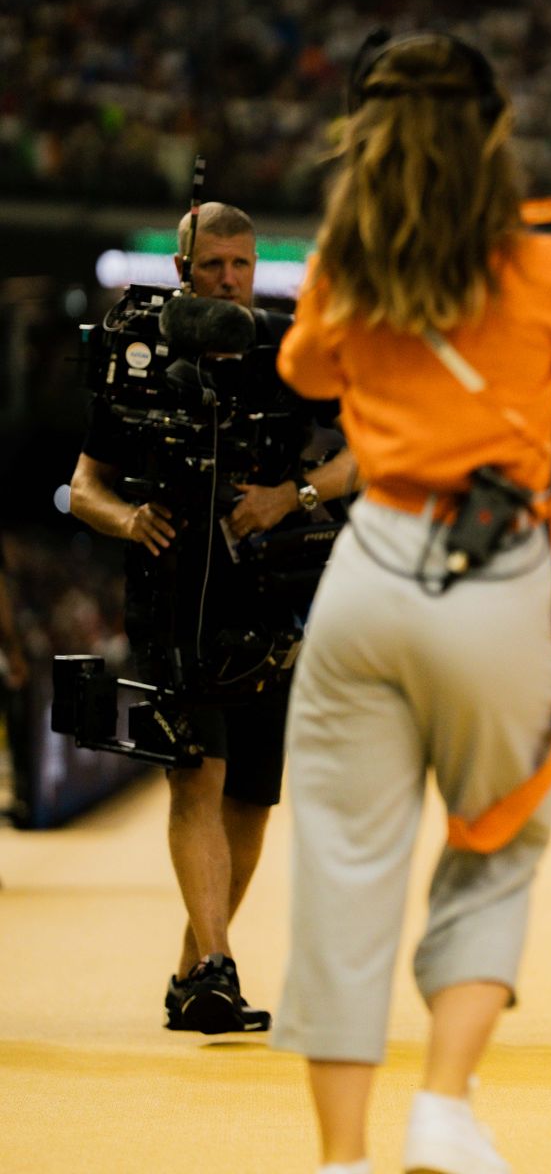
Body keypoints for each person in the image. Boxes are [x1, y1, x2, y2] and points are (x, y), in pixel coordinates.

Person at [272, 33, 551, 1174]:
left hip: (370, 568)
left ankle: (343, 1157)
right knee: (496, 840)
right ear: (495, 131)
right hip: (497, 578)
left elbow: (305, 370)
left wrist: (355, 251)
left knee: (345, 864)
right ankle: (444, 1108)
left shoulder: (349, 262)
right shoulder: (544, 270)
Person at [66, 200, 358, 1034]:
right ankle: (220, 970)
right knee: (199, 774)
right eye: (212, 265)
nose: (228, 279)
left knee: (253, 797)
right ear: (183, 268)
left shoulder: (291, 349)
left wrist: (290, 496)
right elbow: (85, 486)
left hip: (270, 592)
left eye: (241, 265)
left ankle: (195, 966)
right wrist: (128, 520)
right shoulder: (139, 355)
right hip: (172, 597)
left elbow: (370, 448)